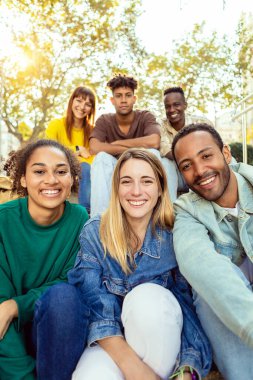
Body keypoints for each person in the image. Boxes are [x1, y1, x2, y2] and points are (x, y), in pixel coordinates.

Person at [68, 148, 211, 380]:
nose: (136, 191)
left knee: (146, 298)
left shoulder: (175, 235)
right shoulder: (95, 232)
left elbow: (188, 306)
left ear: (160, 189)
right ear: (116, 188)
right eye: (127, 181)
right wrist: (134, 368)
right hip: (111, 341)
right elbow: (94, 305)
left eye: (146, 181)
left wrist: (188, 366)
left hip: (162, 335)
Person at [0, 139, 89, 379]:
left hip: (57, 334)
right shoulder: (3, 222)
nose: (51, 180)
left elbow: (71, 280)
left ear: (72, 179)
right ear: (22, 179)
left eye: (61, 171)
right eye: (39, 171)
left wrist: (16, 306)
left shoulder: (80, 220)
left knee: (64, 296)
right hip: (8, 343)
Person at [171, 123, 253, 380]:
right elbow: (199, 263)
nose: (200, 170)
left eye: (206, 156)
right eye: (187, 165)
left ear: (226, 154)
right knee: (207, 291)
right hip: (235, 312)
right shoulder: (186, 210)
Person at [89, 74, 177, 217]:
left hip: (142, 168)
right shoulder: (105, 120)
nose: (123, 100)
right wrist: (130, 149)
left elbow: (154, 141)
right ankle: (99, 222)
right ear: (112, 100)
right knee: (101, 159)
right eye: (118, 96)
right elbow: (94, 147)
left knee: (155, 154)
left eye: (128, 95)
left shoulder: (145, 116)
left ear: (134, 98)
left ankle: (167, 217)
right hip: (116, 169)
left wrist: (118, 143)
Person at [46, 86, 96, 213]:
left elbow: (93, 157)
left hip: (84, 172)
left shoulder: (93, 131)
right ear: (72, 101)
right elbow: (49, 150)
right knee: (84, 166)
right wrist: (77, 149)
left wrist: (74, 156)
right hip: (60, 167)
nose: (82, 107)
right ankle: (86, 211)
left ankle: (86, 213)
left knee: (85, 167)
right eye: (79, 101)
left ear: (91, 109)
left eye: (88, 104)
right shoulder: (56, 125)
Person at [160, 87, 214, 194]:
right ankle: (170, 208)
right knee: (166, 162)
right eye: (167, 106)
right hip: (177, 175)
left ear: (185, 105)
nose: (171, 110)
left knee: (230, 161)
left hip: (204, 170)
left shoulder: (201, 123)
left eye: (176, 105)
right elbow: (166, 152)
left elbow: (216, 149)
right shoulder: (160, 126)